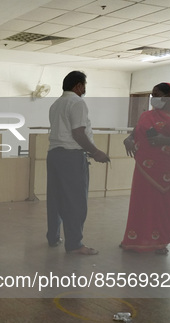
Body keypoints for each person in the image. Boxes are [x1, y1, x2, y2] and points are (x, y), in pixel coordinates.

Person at [121, 82, 170, 255]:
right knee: (141, 203)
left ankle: (160, 241)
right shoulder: (147, 115)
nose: (153, 98)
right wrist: (129, 139)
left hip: (169, 171)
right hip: (145, 169)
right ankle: (135, 238)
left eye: (157, 94)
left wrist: (166, 141)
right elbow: (135, 133)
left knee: (163, 206)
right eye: (152, 94)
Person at [46, 71, 110, 255]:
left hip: (54, 155)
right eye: (84, 85)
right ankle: (74, 244)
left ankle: (53, 236)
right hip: (71, 157)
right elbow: (78, 133)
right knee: (75, 202)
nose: (84, 89)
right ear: (78, 86)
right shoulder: (77, 102)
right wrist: (95, 152)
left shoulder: (56, 104)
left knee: (56, 198)